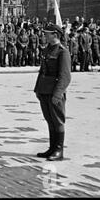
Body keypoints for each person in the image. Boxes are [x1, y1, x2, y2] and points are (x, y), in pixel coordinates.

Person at [34, 24, 71, 161]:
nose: (44, 36)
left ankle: (59, 150)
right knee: (50, 120)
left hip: (54, 92)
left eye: (47, 34)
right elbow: (42, 71)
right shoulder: (48, 50)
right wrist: (37, 89)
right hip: (44, 90)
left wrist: (57, 94)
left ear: (55, 35)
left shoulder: (63, 52)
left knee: (58, 120)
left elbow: (65, 76)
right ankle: (52, 148)